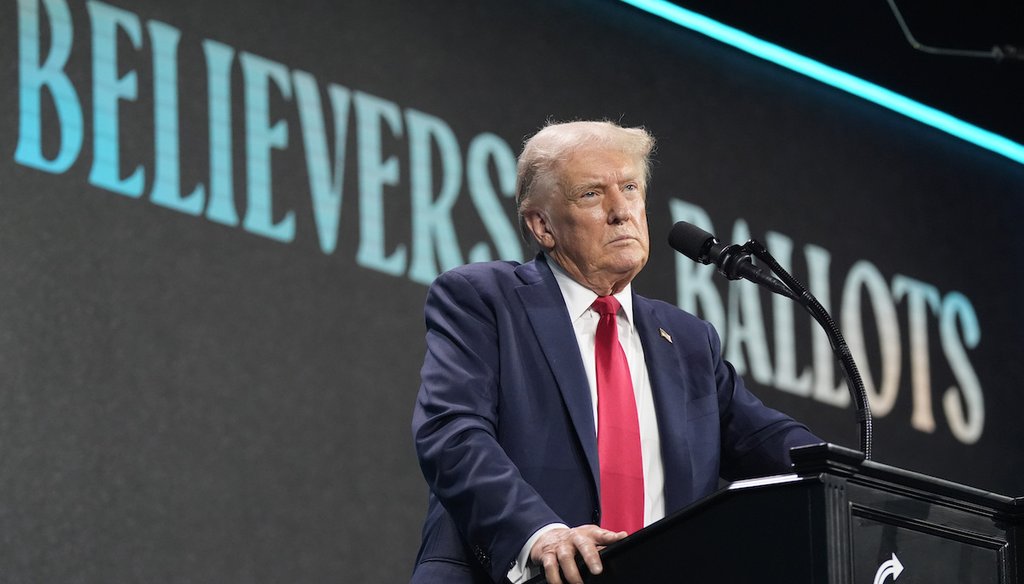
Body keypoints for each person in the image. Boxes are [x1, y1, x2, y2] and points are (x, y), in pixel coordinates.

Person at [410, 120, 819, 584]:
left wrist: (855, 482)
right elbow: (451, 432)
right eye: (591, 194)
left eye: (630, 188)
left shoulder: (687, 342)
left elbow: (772, 444)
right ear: (542, 225)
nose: (621, 210)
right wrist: (539, 533)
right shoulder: (485, 300)